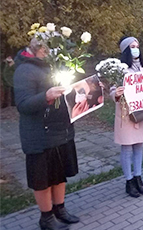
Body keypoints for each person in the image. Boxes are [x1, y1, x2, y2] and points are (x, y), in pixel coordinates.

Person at [14, 38, 79, 230]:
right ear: (37, 49)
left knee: (59, 175)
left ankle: (60, 209)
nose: (49, 52)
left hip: (60, 132)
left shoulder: (54, 66)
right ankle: (46, 217)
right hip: (38, 136)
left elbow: (67, 93)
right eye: (46, 49)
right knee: (42, 179)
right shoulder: (24, 70)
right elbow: (23, 105)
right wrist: (46, 96)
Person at [110, 36, 143, 197]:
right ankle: (129, 181)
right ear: (126, 50)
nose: (136, 49)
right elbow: (112, 91)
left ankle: (138, 177)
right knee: (127, 148)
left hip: (141, 112)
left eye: (137, 45)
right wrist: (117, 94)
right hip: (126, 114)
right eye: (132, 46)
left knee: (139, 146)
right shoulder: (120, 70)